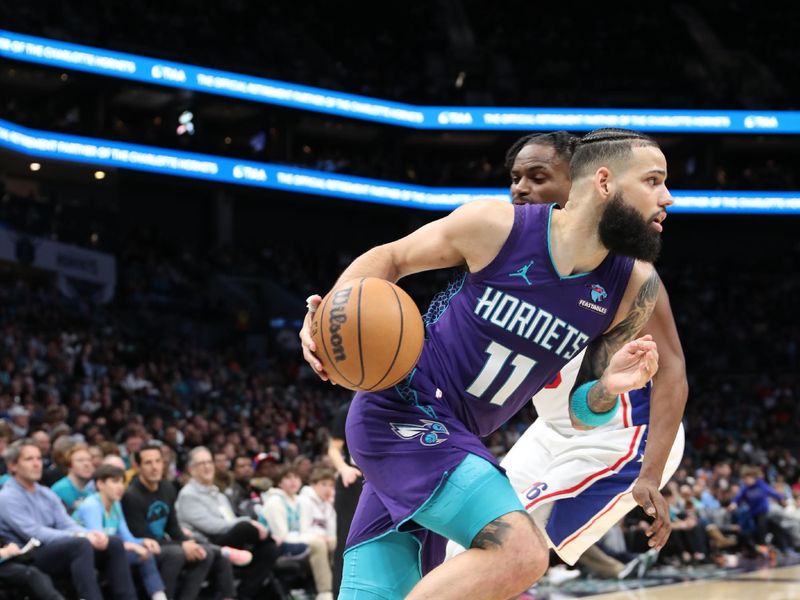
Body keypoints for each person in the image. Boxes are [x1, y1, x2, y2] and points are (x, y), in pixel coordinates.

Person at [300, 128, 672, 599]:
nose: (668, 198)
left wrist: (609, 390)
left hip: (451, 438)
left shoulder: (631, 289)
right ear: (604, 182)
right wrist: (321, 319)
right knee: (521, 553)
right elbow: (389, 258)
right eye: (654, 181)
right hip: (402, 411)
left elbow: (580, 411)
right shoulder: (497, 226)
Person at [443, 131, 686, 573]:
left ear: (587, 183)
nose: (521, 188)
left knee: (513, 545)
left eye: (538, 177)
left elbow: (673, 372)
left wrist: (650, 473)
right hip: (553, 428)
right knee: (463, 543)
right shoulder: (510, 251)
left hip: (622, 434)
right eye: (516, 178)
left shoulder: (627, 276)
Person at [0, 438, 137, 600]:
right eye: (29, 459)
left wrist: (90, 533)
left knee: (112, 542)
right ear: (12, 466)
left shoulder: (45, 493)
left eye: (38, 458)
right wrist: (80, 536)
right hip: (29, 555)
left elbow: (66, 523)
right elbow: (35, 533)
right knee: (80, 544)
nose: (37, 464)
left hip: (57, 548)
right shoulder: (7, 497)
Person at [121, 442, 235, 600]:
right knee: (177, 554)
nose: (154, 467)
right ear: (138, 467)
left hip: (165, 544)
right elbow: (142, 536)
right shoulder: (131, 496)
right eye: (148, 463)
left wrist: (189, 543)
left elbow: (173, 527)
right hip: (144, 546)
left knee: (205, 553)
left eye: (158, 461)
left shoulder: (167, 488)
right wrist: (182, 545)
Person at [176, 446, 280, 600]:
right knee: (245, 528)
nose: (207, 466)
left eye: (209, 462)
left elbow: (229, 521)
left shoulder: (218, 494)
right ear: (191, 469)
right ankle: (270, 536)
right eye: (201, 463)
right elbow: (211, 526)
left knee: (269, 549)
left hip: (228, 540)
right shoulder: (187, 495)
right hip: (207, 542)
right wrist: (248, 522)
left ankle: (244, 596)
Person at [75, 464, 167, 600]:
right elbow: (100, 541)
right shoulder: (91, 505)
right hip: (89, 556)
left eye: (122, 482)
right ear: (100, 484)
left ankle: (160, 596)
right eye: (114, 481)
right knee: (134, 553)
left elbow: (126, 537)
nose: (120, 487)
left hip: (111, 552)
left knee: (146, 553)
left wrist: (143, 542)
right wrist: (135, 547)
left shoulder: (116, 504)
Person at [261, 466, 335, 600]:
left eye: (296, 477)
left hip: (295, 540)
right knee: (318, 544)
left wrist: (316, 536)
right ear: (280, 482)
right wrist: (314, 537)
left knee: (332, 543)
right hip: (276, 545)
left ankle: (338, 585)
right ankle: (325, 591)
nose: (293, 481)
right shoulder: (275, 501)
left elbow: (304, 530)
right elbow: (282, 535)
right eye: (288, 478)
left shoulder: (298, 501)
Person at [326, 400, 363, 596]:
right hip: (353, 481)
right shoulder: (347, 409)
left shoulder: (391, 404)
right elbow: (333, 449)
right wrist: (343, 468)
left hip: (382, 479)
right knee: (346, 543)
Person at [51, 442, 96, 513]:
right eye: (80, 460)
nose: (87, 464)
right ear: (69, 466)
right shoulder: (61, 489)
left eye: (89, 460)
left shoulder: (89, 491)